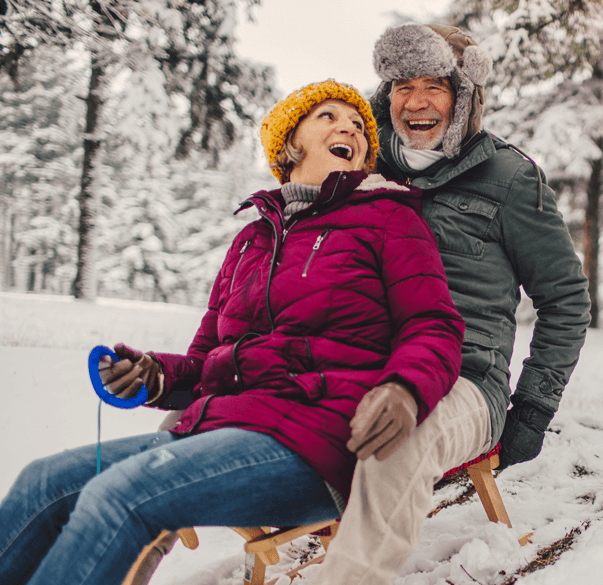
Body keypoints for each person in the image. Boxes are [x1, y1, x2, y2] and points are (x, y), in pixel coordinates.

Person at [0, 79, 465, 585]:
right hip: (222, 427)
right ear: (290, 144)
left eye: (358, 126)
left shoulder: (388, 219)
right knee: (41, 484)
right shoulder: (252, 239)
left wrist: (404, 388)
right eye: (329, 117)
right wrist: (154, 375)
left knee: (124, 493)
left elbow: (434, 326)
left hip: (317, 436)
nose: (350, 128)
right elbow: (205, 359)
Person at [311, 23, 592, 585]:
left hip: (464, 379)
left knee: (398, 430)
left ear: (465, 96)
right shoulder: (361, 171)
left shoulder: (511, 179)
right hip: (363, 365)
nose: (416, 102)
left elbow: (565, 300)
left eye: (435, 86)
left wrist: (532, 409)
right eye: (402, 85)